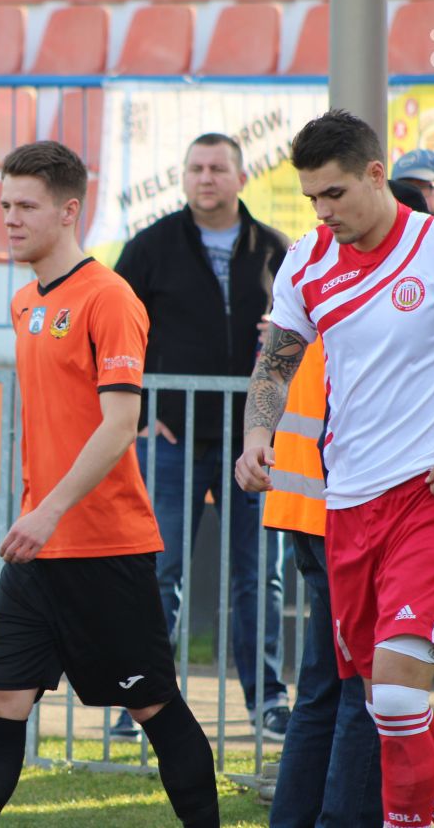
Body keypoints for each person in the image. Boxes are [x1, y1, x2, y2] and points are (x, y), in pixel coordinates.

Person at [237, 109, 434, 828]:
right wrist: (257, 433)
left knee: (396, 696)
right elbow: (277, 361)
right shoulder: (308, 259)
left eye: (335, 193)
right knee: (385, 704)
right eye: (312, 198)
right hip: (347, 508)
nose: (323, 212)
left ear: (376, 175)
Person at [0, 141, 219, 828]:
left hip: (103, 546)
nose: (10, 219)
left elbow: (121, 422)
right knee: (0, 702)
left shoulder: (109, 297)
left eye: (26, 206)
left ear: (69, 211)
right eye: (5, 205)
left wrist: (49, 511)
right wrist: (40, 517)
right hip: (38, 551)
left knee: (151, 703)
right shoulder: (24, 302)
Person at [113, 132, 291, 740]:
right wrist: (141, 412)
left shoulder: (276, 249)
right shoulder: (151, 246)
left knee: (259, 575)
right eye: (195, 168)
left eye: (217, 168)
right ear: (184, 177)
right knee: (159, 572)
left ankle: (268, 700)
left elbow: (309, 332)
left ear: (242, 177)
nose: (206, 177)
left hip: (254, 443)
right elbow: (111, 331)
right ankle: (143, 704)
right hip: (172, 439)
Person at [266, 181, 427, 828]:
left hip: (308, 506)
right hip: (346, 512)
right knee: (366, 686)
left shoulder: (316, 270)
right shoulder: (364, 285)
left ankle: (296, 817)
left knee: (324, 687)